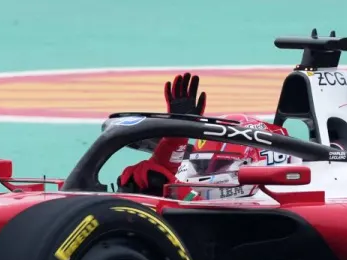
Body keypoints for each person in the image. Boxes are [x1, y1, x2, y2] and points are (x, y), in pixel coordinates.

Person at [115, 72, 288, 199]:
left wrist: (178, 194)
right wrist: (178, 131)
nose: (206, 173)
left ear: (256, 167)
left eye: (221, 165)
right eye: (202, 165)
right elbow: (164, 169)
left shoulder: (273, 210)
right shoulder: (190, 177)